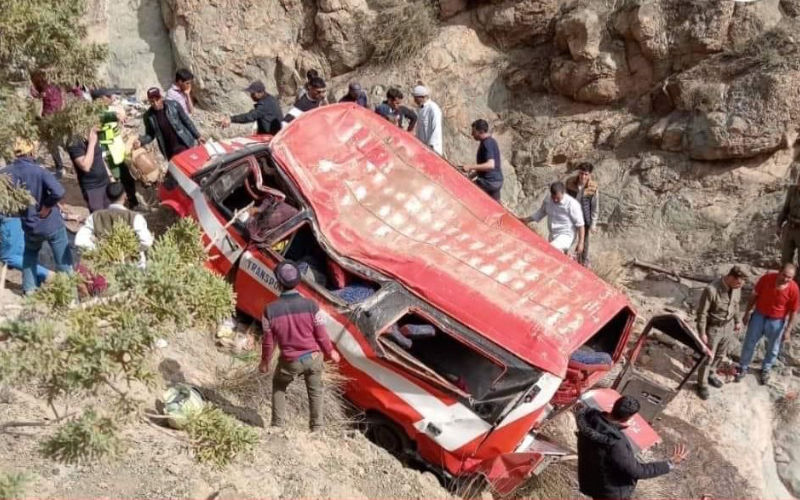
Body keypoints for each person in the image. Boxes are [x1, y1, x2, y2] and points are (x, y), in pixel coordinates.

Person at [259, 261, 341, 431]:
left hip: (290, 362)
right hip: (313, 358)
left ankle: (277, 425)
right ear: (298, 281)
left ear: (278, 283)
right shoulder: (312, 305)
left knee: (279, 386)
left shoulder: (269, 311)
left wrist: (265, 362)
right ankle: (317, 427)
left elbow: (268, 342)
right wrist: (330, 351)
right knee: (315, 391)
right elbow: (321, 334)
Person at [577, 396, 688, 500]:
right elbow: (637, 471)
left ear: (614, 405)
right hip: (610, 492)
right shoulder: (615, 443)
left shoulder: (588, 418)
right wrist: (670, 463)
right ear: (628, 417)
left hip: (592, 481)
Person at [1, 138, 72, 294]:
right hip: (50, 223)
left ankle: (29, 290)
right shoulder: (39, 171)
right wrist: (47, 206)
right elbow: (59, 191)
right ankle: (70, 295)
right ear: (31, 152)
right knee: (63, 260)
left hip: (29, 224)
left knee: (30, 256)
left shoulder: (5, 173)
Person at [735, 263, 799, 385]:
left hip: (777, 321)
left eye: (789, 277)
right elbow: (754, 295)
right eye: (784, 275)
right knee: (749, 342)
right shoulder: (766, 279)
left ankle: (766, 369)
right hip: (759, 315)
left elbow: (793, 311)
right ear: (779, 271)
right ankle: (743, 367)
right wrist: (747, 312)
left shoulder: (794, 288)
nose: (786, 279)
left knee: (773, 348)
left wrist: (788, 330)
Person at [695, 266, 746, 400]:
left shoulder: (737, 288)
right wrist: (702, 333)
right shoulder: (711, 290)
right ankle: (702, 384)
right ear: (731, 277)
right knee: (708, 357)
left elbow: (735, 305)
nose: (740, 286)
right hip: (713, 329)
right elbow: (702, 313)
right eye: (738, 282)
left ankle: (711, 373)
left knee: (720, 355)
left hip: (727, 327)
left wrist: (737, 321)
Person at [75, 183, 154, 266]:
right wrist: (130, 251)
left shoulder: (95, 217)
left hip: (107, 264)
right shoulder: (135, 217)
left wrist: (100, 251)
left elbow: (80, 241)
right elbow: (146, 242)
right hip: (132, 265)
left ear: (107, 196)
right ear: (125, 196)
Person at [91, 88, 138, 210]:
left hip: (118, 152)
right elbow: (104, 117)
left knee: (128, 178)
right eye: (108, 96)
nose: (111, 97)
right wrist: (115, 115)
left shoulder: (108, 109)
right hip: (108, 156)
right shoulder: (94, 113)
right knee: (116, 182)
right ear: (101, 99)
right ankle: (122, 206)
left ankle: (133, 202)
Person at [137, 87, 204, 160]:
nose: (155, 103)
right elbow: (150, 134)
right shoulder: (149, 116)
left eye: (157, 100)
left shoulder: (174, 105)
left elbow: (186, 121)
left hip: (184, 143)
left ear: (161, 98)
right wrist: (141, 141)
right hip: (169, 150)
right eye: (152, 101)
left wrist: (198, 136)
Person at [520, 182, 585, 255]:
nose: (555, 200)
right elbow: (541, 212)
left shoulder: (572, 204)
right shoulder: (548, 199)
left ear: (563, 193)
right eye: (553, 197)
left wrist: (581, 243)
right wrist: (526, 220)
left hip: (566, 235)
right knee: (554, 253)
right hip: (553, 234)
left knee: (550, 249)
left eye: (558, 198)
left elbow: (580, 225)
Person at [67, 122, 111, 213]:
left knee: (112, 213)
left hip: (105, 182)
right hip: (92, 188)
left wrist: (111, 177)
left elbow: (100, 158)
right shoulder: (73, 142)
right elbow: (85, 166)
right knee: (100, 218)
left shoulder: (93, 136)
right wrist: (91, 143)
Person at [30, 69, 66, 179]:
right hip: (55, 117)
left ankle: (59, 167)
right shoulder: (56, 87)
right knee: (54, 142)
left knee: (51, 142)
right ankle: (59, 166)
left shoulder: (47, 88)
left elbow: (36, 95)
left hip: (49, 118)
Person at [459, 119, 503, 202]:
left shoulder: (487, 143)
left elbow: (490, 165)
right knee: (495, 207)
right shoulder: (491, 141)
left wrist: (470, 167)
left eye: (474, 131)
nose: (472, 134)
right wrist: (470, 176)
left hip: (489, 182)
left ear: (481, 131)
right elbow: (486, 168)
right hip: (496, 181)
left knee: (465, 193)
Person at [566, 162, 599, 267]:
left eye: (586, 174)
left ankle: (582, 264)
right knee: (567, 237)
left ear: (589, 175)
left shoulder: (593, 187)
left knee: (584, 242)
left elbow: (595, 207)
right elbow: (564, 199)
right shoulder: (570, 182)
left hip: (584, 218)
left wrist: (593, 224)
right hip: (570, 215)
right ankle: (563, 256)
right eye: (581, 173)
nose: (583, 176)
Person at [0, 216, 51, 285]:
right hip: (18, 219)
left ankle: (46, 274)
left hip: (8, 222)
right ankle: (35, 283)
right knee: (20, 253)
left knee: (8, 256)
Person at [412, 84, 443, 155]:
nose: (414, 100)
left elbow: (436, 128)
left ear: (421, 97)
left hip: (432, 150)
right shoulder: (421, 110)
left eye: (416, 98)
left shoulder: (433, 108)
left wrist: (432, 146)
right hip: (423, 148)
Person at [778, 174, 800, 269]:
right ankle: (784, 281)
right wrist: (779, 224)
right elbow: (785, 208)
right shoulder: (792, 190)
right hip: (790, 227)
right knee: (785, 258)